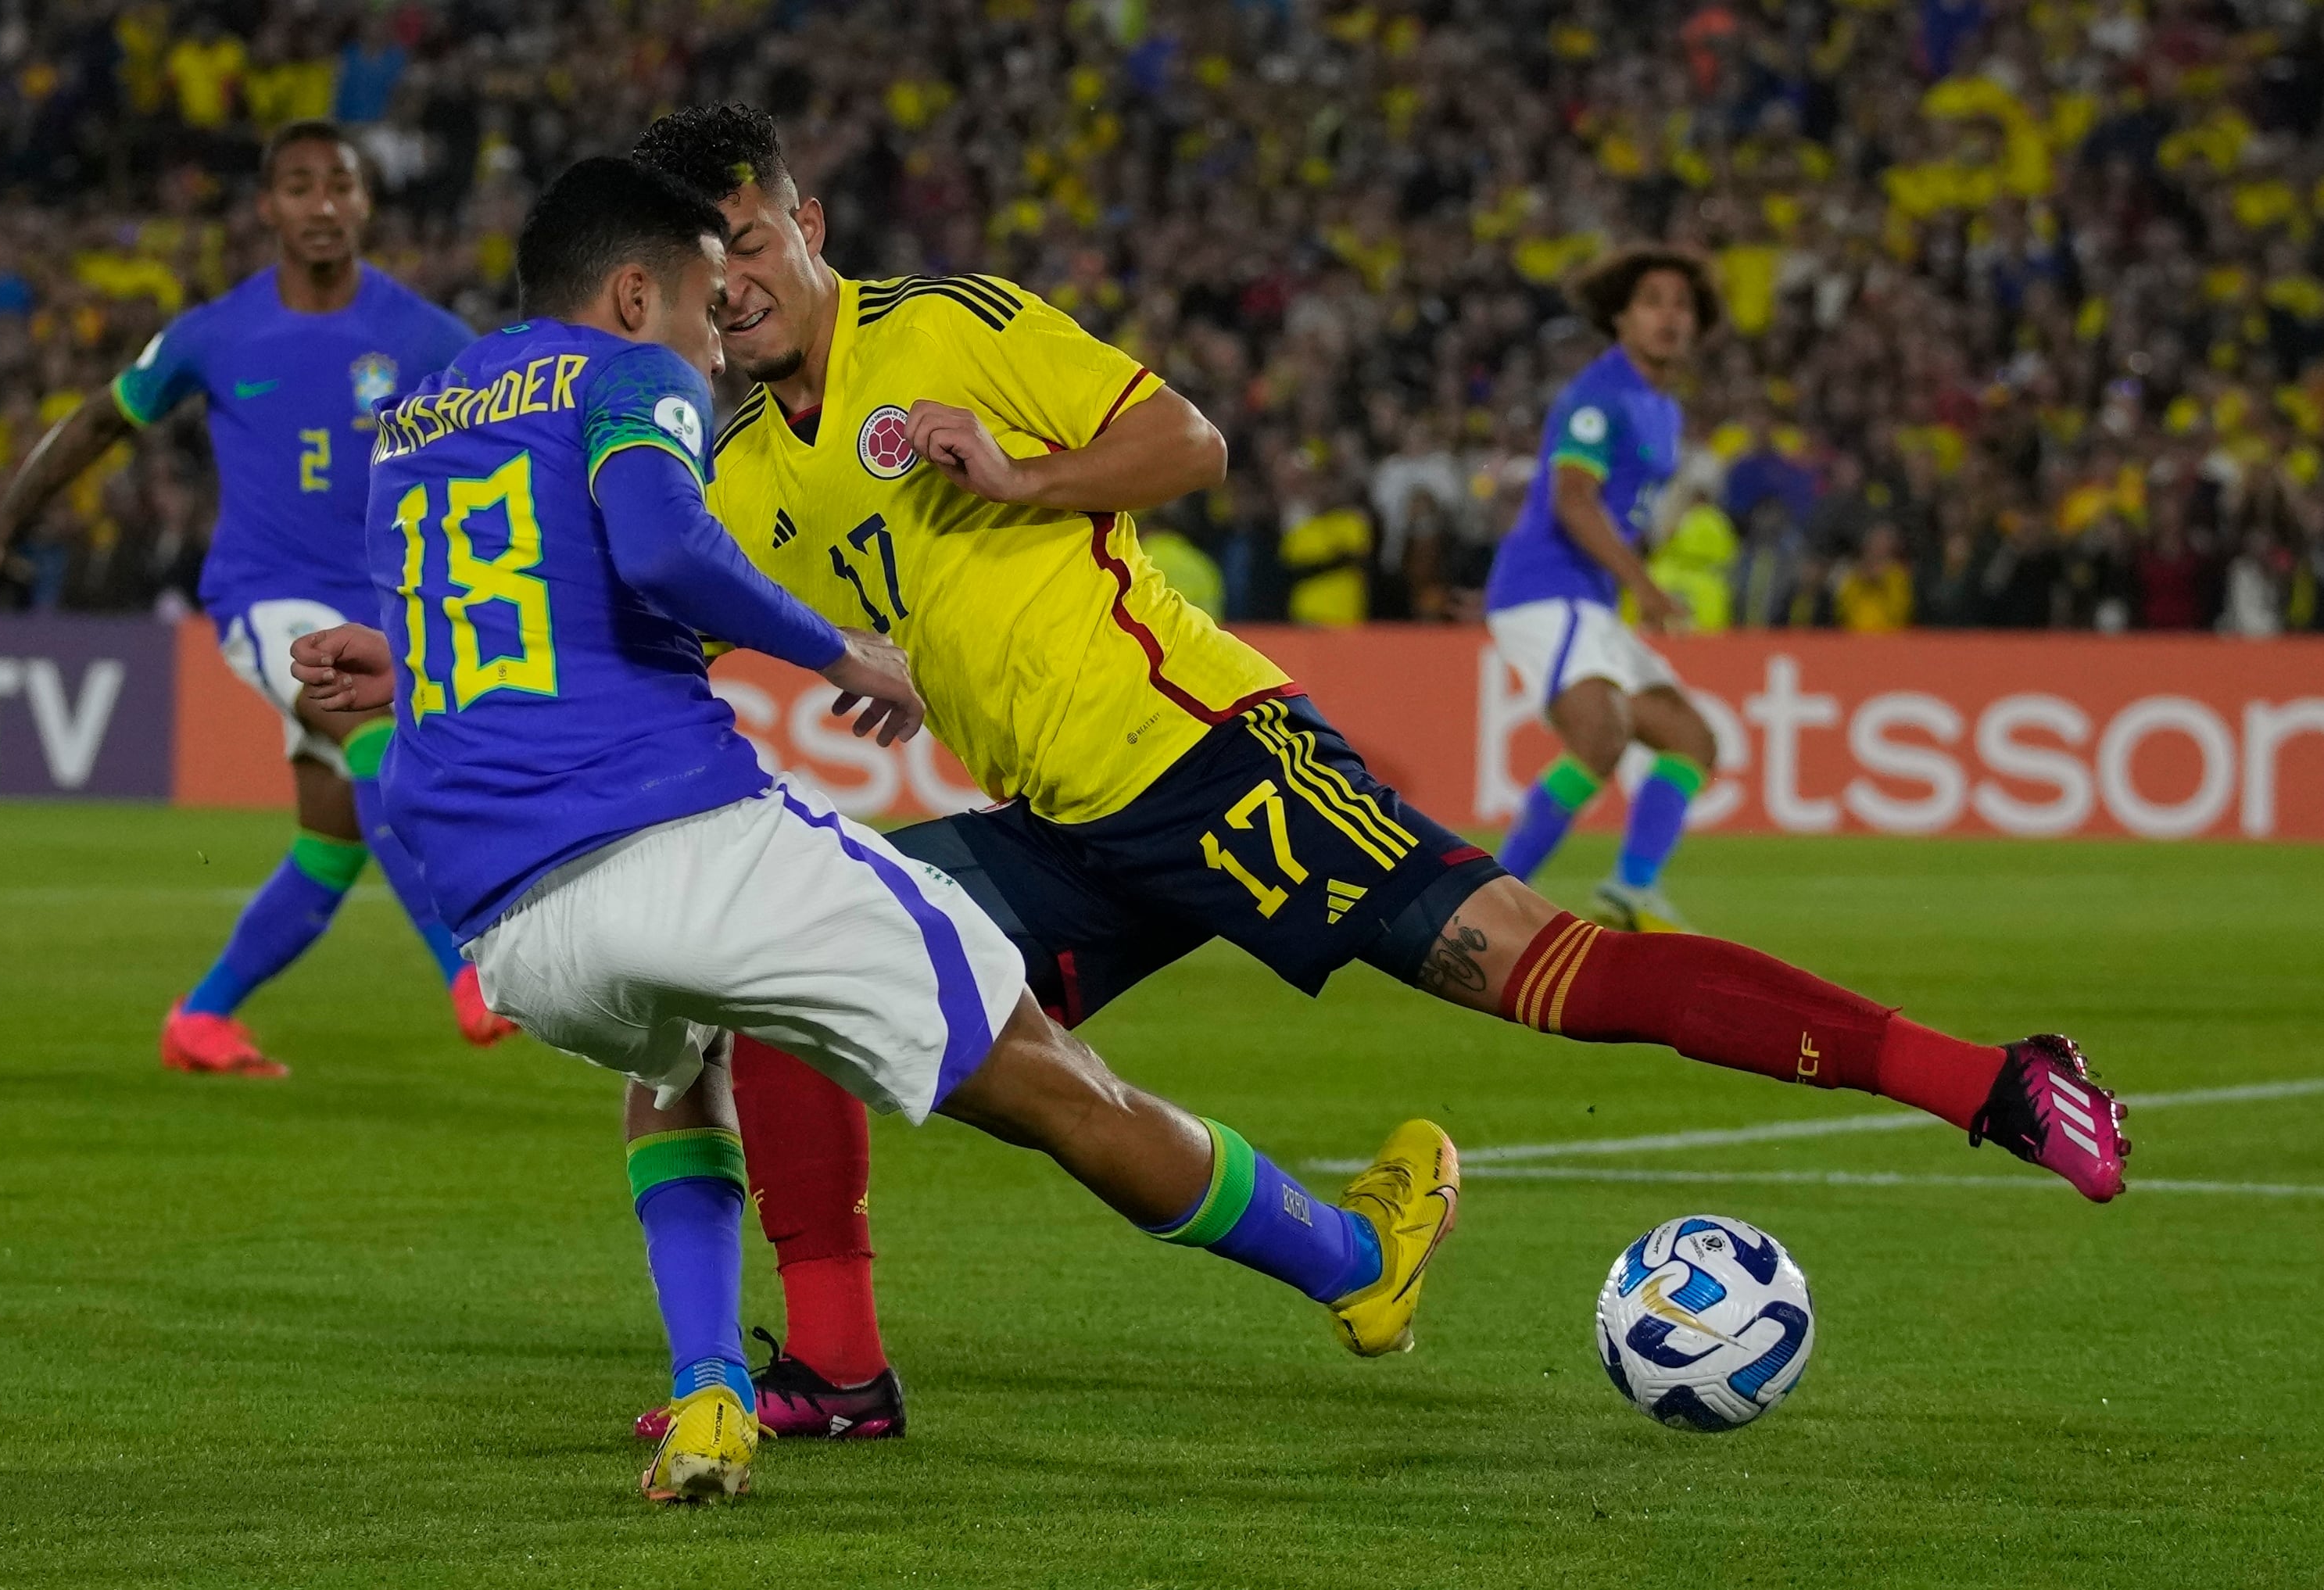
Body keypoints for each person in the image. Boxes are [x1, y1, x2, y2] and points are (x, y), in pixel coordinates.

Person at [624, 104, 2130, 1440]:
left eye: (749, 240)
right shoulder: (745, 470)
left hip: (1214, 757)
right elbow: (696, 621)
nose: (733, 282)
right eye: (704, 264)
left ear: (808, 224)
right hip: (1062, 829)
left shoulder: (948, 326)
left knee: (1551, 969)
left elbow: (1186, 443)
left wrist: (1030, 475)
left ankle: (1990, 1080)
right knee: (798, 974)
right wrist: (872, 664)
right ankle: (847, 1366)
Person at [295, 154, 1463, 1503]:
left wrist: (402, 664)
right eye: (700, 302)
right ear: (631, 294)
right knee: (1038, 1067)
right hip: (681, 842)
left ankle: (712, 1390)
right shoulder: (629, 374)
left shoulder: (422, 415)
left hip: (510, 922)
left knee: (677, 1067)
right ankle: (1353, 1263)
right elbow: (662, 549)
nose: (715, 337)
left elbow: (510, 601)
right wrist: (843, 648)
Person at [0, 120, 501, 1076]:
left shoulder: (426, 336)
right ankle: (468, 970)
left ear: (366, 202)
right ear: (267, 207)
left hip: (382, 612)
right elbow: (100, 423)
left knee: (333, 841)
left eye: (340, 184)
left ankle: (200, 1019)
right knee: (370, 735)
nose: (322, 204)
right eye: (300, 186)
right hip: (264, 599)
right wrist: (2, 527)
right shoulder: (215, 333)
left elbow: (512, 442)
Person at [1482, 246, 1722, 933]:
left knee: (1691, 740)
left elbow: (1623, 509)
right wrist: (1643, 585)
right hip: (1544, 587)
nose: (1669, 317)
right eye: (1652, 302)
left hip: (1587, 597)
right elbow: (1573, 500)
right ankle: (1488, 905)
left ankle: (1630, 889)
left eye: (1681, 305)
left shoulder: (1662, 407)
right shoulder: (1598, 395)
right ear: (1620, 317)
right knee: (1600, 735)